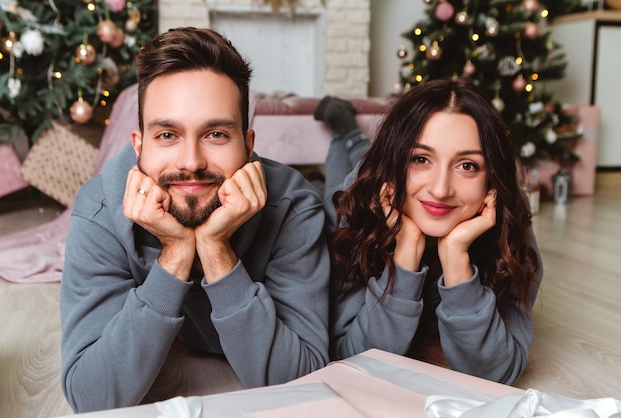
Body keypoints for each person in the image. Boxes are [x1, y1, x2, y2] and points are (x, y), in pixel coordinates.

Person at [60, 27, 330, 413]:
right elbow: (91, 397)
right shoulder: (100, 208)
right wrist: (175, 254)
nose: (191, 162)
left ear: (249, 145)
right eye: (168, 134)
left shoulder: (293, 207)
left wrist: (216, 251)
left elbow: (305, 384)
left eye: (216, 134)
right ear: (139, 146)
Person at [316, 78, 543, 385]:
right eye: (420, 159)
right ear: (396, 163)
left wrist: (456, 259)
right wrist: (406, 252)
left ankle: (355, 131)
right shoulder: (358, 208)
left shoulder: (508, 215)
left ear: (491, 178)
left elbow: (496, 373)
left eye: (467, 165)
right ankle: (344, 124)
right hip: (361, 185)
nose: (440, 189)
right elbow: (352, 357)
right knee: (340, 176)